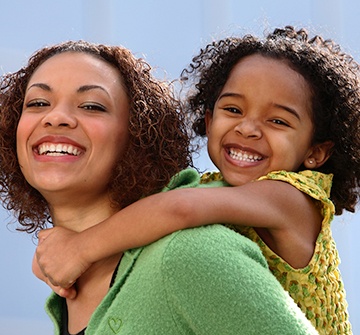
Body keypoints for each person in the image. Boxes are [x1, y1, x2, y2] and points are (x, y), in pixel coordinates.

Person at [33, 26, 360, 335]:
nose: (247, 128)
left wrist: (80, 249)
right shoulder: (217, 189)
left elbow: (178, 210)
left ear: (316, 152)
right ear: (209, 118)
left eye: (277, 120)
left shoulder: (293, 197)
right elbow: (152, 214)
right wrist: (58, 255)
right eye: (233, 109)